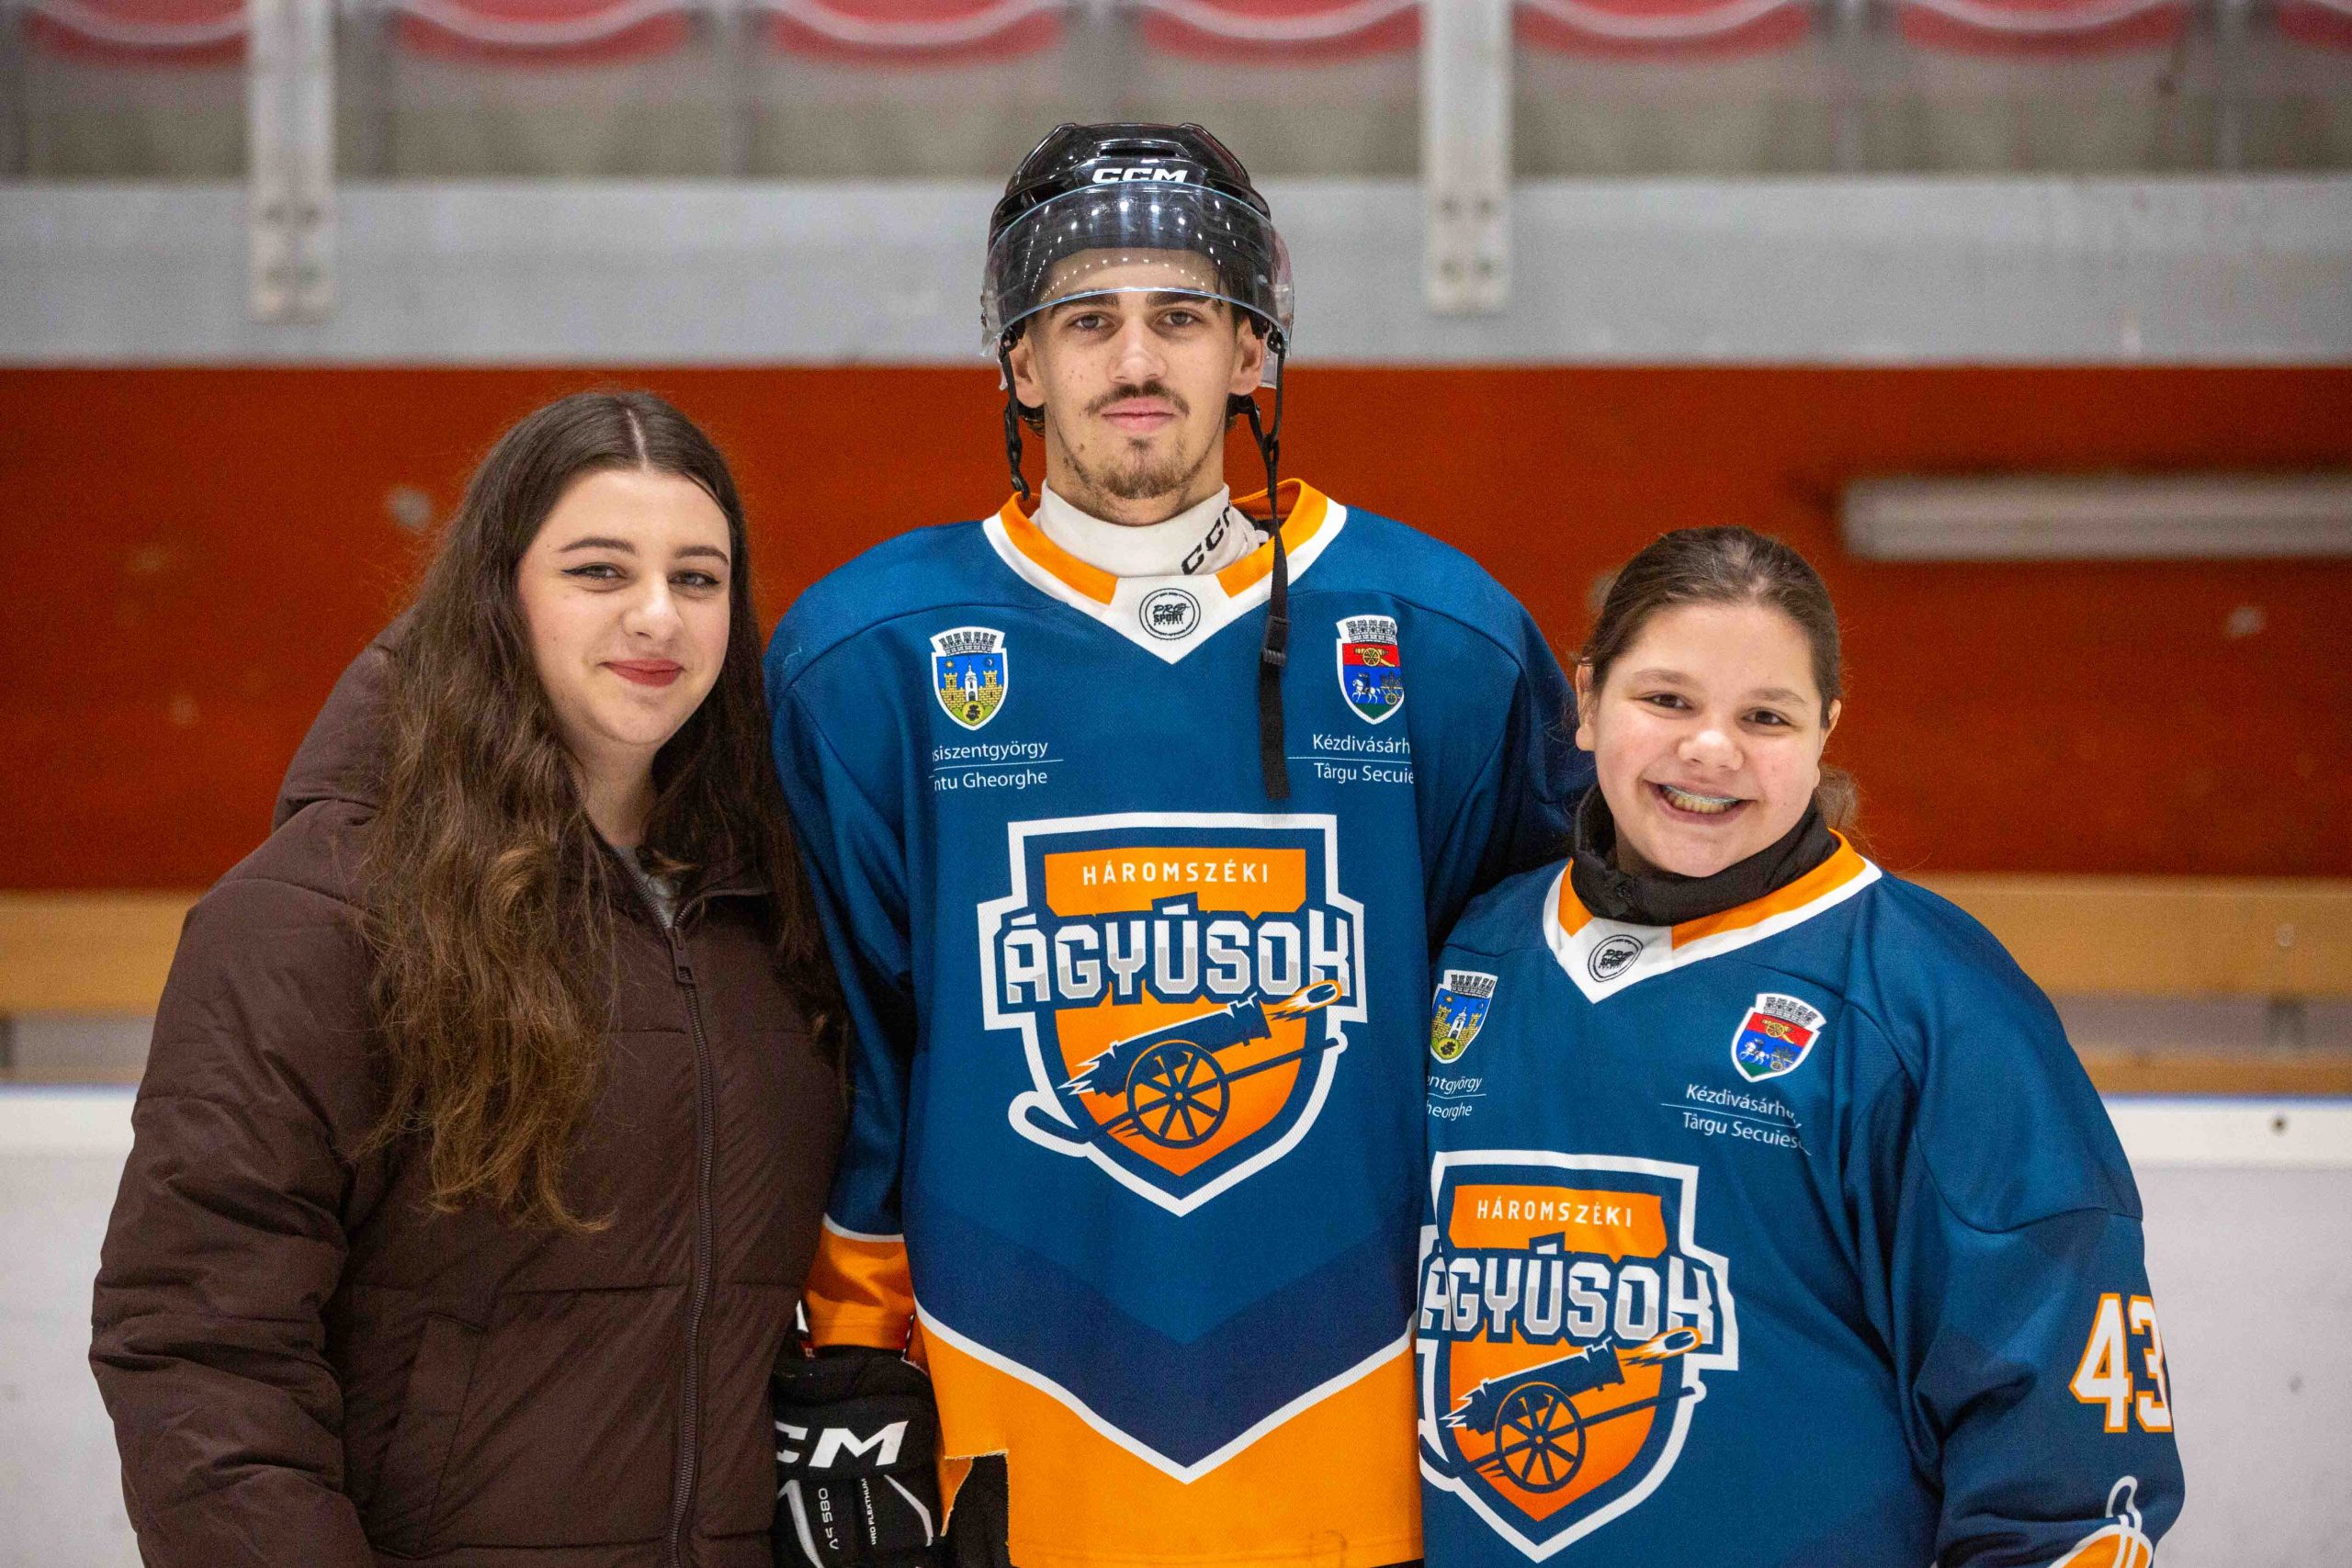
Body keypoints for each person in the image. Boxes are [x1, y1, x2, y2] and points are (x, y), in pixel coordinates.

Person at [763, 122, 1590, 1568]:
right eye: (1087, 320)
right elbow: (844, 1053)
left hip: (1369, 1434)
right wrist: (847, 1361)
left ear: (1251, 351)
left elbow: (1538, 1028)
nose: (1136, 360)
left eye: (1183, 317)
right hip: (1004, 1424)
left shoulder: (1441, 641)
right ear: (1022, 364)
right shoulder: (868, 658)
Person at [90, 391, 846, 1568]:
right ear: (500, 593)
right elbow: (198, 1344)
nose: (658, 614)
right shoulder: (321, 912)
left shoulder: (770, 905)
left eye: (699, 579)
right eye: (599, 571)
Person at [1415, 526, 2184, 1566]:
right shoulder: (1476, 948)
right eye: (1667, 699)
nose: (1711, 749)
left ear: (1826, 730)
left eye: (1765, 716)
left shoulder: (1933, 998)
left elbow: (2062, 1462)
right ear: (1587, 702)